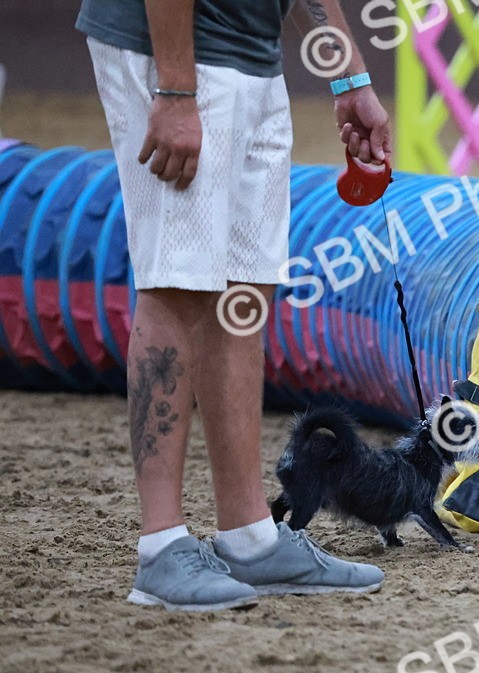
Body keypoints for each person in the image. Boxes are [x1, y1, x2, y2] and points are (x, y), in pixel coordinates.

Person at [76, 0, 392, 611]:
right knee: (178, 281)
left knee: (246, 288)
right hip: (174, 53)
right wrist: (173, 88)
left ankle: (250, 538)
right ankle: (160, 548)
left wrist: (348, 75)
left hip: (253, 52)